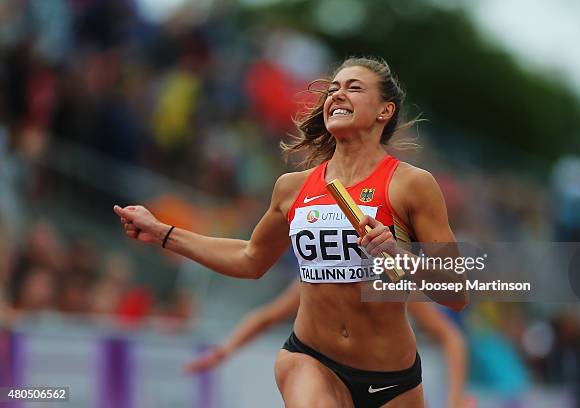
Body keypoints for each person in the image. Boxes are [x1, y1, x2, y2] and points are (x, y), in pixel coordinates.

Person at [114, 56, 467, 407]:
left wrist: (397, 255)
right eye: (333, 89)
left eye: (353, 88)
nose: (337, 95)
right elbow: (250, 258)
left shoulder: (412, 185)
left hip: (393, 380)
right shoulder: (292, 188)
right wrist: (163, 233)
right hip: (312, 358)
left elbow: (456, 293)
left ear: (384, 111)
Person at [185, 280, 473, 408]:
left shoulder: (389, 280)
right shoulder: (317, 276)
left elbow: (451, 336)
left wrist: (456, 398)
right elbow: (267, 315)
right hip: (331, 379)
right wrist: (225, 349)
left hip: (391, 384)